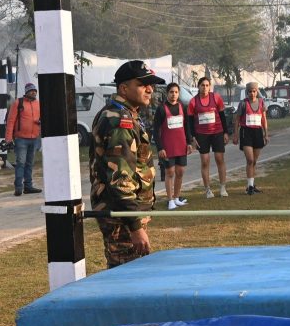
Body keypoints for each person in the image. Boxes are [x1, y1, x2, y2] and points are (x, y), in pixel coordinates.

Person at [90, 60, 164, 268]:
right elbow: (120, 179)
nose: (150, 89)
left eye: (151, 84)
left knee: (132, 274)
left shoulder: (126, 114)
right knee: (125, 275)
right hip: (121, 215)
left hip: (126, 212)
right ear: (123, 88)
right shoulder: (118, 120)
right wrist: (135, 225)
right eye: (142, 84)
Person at [152, 82, 192, 210]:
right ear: (167, 93)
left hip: (181, 145)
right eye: (171, 92)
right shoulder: (161, 109)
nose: (173, 94)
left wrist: (189, 143)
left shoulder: (182, 107)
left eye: (176, 92)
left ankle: (176, 197)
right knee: (170, 172)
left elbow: (187, 127)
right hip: (167, 147)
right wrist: (160, 148)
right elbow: (155, 130)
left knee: (180, 172)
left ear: (178, 93)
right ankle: (170, 200)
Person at [187, 77, 230, 198]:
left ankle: (222, 187)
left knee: (219, 158)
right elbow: (190, 122)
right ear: (198, 86)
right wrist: (193, 137)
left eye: (207, 85)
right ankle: (208, 190)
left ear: (209, 86)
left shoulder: (216, 98)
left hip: (217, 132)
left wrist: (225, 133)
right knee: (205, 161)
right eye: (202, 85)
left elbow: (222, 116)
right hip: (202, 134)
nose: (204, 87)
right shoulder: (193, 102)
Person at [5, 82, 42, 196]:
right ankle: (18, 187)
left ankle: (28, 186)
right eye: (31, 91)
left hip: (34, 138)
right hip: (21, 139)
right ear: (26, 92)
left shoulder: (38, 104)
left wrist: (40, 122)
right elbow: (10, 121)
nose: (34, 92)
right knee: (21, 163)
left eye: (35, 91)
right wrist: (8, 138)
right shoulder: (18, 103)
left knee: (29, 163)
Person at [234, 82, 268, 195]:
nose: (252, 93)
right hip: (246, 132)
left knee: (254, 162)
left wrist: (266, 133)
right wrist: (235, 135)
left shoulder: (262, 102)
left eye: (254, 91)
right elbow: (237, 119)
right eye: (250, 91)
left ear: (257, 91)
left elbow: (264, 119)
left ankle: (251, 185)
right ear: (247, 92)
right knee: (250, 160)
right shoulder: (243, 104)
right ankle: (249, 187)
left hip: (258, 132)